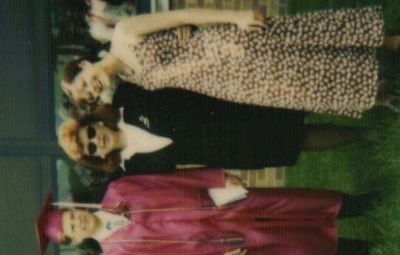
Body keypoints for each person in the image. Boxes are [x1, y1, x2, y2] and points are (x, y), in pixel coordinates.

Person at [36, 169, 375, 255]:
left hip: (219, 203)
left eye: (72, 215)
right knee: (291, 249)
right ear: (74, 240)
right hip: (218, 243)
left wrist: (216, 178)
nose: (78, 221)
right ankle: (364, 252)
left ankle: (359, 206)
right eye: (72, 228)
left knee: (290, 205)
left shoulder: (119, 190)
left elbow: (170, 180)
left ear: (75, 207)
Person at [61, 7, 400, 117]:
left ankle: (388, 42)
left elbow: (182, 16)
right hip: (230, 82)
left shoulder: (124, 34)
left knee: (303, 41)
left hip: (229, 47)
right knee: (303, 85)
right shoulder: (132, 81)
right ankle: (380, 92)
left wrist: (235, 17)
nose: (92, 88)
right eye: (89, 95)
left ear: (85, 65)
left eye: (84, 82)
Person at [58, 85, 373, 174]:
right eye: (91, 149)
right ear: (97, 157)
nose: (96, 141)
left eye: (89, 134)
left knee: (297, 105)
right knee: (298, 141)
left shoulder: (128, 99)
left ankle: (368, 97)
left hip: (227, 110)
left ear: (93, 122)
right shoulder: (133, 168)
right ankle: (366, 134)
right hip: (227, 150)